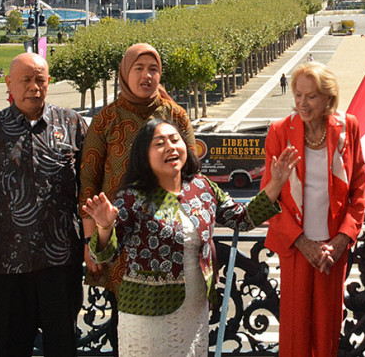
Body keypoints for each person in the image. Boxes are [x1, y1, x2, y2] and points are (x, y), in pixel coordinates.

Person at [84, 118, 300, 357]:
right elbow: (104, 254)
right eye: (159, 143)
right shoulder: (132, 197)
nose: (170, 147)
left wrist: (275, 184)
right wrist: (104, 227)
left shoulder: (201, 187)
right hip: (147, 312)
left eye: (175, 140)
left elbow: (241, 218)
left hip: (194, 308)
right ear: (144, 155)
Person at [0, 53, 88, 357]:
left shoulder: (71, 123)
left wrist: (92, 243)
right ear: (9, 83)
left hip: (61, 262)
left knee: (63, 345)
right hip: (7, 263)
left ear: (48, 82)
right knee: (11, 346)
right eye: (26, 80)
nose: (34, 87)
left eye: (40, 79)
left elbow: (89, 186)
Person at [264, 62, 365, 357]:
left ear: (328, 100)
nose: (302, 103)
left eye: (311, 96)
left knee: (327, 333)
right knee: (295, 334)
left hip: (332, 250)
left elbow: (359, 189)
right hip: (296, 246)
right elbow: (268, 199)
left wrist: (342, 239)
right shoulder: (279, 131)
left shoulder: (348, 127)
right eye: (298, 95)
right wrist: (303, 242)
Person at [79, 42, 196, 292]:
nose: (147, 75)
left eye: (153, 69)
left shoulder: (176, 116)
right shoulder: (106, 120)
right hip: (118, 240)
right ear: (125, 73)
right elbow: (89, 182)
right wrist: (91, 241)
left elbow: (192, 176)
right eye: (139, 68)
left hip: (171, 237)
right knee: (126, 324)